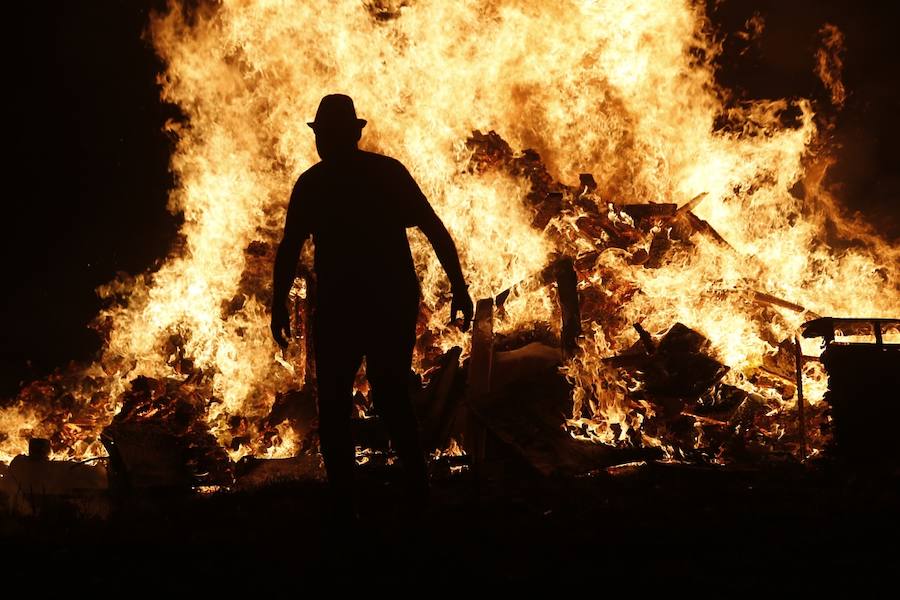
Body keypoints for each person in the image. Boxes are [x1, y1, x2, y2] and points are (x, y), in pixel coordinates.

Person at [270, 94, 473, 517]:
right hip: (381, 300)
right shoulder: (379, 174)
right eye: (322, 134)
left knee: (349, 396)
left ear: (345, 135)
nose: (323, 141)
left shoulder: (320, 183)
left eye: (327, 134)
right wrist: (457, 284)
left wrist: (459, 285)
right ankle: (404, 492)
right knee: (381, 392)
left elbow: (290, 250)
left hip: (360, 302)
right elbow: (433, 229)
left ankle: (357, 499)